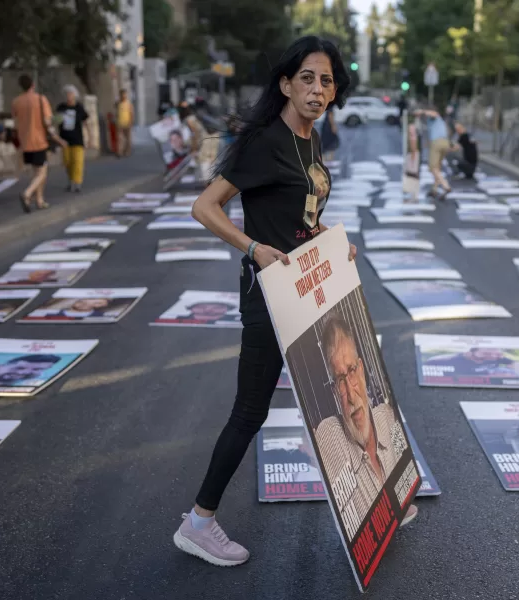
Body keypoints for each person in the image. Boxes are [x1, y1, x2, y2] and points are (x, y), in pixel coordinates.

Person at [175, 35, 357, 567]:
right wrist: (254, 249)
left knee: (340, 389)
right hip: (270, 297)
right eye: (307, 78)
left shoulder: (310, 139)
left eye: (326, 81)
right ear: (284, 83)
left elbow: (301, 212)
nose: (318, 89)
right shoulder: (264, 143)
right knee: (250, 411)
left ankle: (370, 494)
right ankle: (198, 522)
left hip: (307, 288)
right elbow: (205, 207)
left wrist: (329, 238)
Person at [312, 317, 409, 528]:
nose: (352, 395)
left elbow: (406, 474)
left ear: (362, 370)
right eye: (340, 380)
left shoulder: (385, 416)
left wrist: (403, 494)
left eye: (352, 371)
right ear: (334, 391)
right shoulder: (330, 435)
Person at [12, 74, 66, 212]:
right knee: (42, 173)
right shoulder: (41, 100)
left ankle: (40, 200)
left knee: (36, 171)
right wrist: (58, 139)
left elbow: (16, 123)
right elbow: (48, 123)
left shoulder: (16, 102)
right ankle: (27, 194)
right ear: (33, 85)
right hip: (39, 141)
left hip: (25, 142)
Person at [56, 85, 89, 192]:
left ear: (75, 95)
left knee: (78, 162)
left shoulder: (79, 108)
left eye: (71, 94)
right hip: (65, 139)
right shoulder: (61, 107)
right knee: (67, 162)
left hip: (77, 139)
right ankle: (71, 181)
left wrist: (89, 136)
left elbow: (85, 121)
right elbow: (56, 122)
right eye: (67, 94)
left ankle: (77, 183)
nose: (69, 96)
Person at [414, 108, 451, 197]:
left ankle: (446, 186)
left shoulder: (435, 117)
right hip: (445, 142)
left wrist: (421, 111)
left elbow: (434, 113)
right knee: (437, 168)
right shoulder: (436, 122)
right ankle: (434, 189)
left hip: (437, 143)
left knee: (433, 167)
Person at [116, 89, 134, 157]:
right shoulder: (118, 103)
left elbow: (131, 113)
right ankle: (120, 152)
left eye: (124, 94)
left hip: (127, 123)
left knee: (128, 139)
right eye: (122, 94)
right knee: (120, 139)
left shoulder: (128, 103)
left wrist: (131, 122)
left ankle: (127, 151)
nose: (123, 96)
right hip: (120, 123)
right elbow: (116, 112)